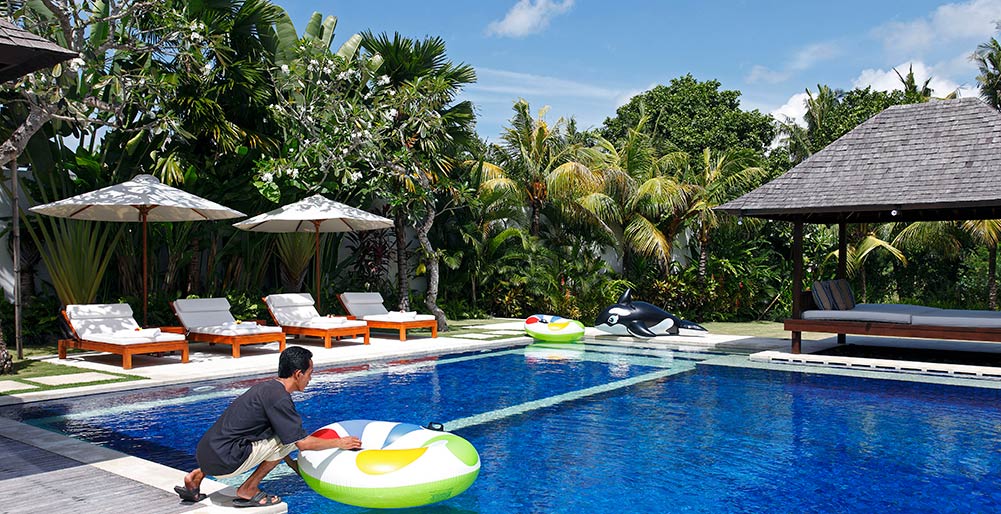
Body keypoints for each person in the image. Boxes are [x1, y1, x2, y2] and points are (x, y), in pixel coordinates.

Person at [174, 346, 361, 508]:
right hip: (226, 462)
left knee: (282, 436)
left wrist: (293, 465)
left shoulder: (265, 388)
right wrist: (341, 442)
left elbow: (273, 439)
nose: (310, 379)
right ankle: (249, 488)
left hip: (206, 455)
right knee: (292, 439)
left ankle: (196, 477)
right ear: (298, 374)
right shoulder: (280, 399)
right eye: (309, 374)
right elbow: (301, 443)